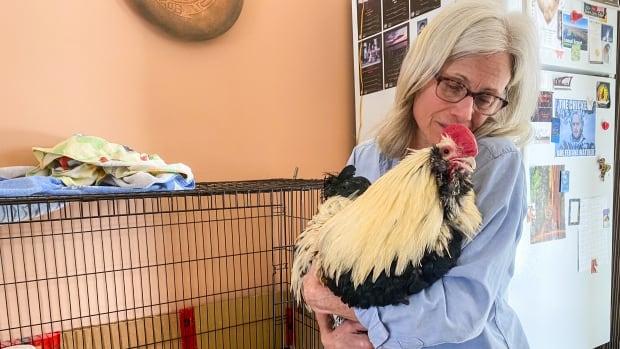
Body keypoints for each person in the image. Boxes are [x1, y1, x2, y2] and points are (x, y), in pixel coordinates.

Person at [301, 0, 540, 348]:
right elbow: (322, 270)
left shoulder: (495, 165)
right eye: (454, 85)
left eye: (486, 97)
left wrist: (343, 304)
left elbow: (457, 312)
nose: (465, 112)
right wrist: (329, 334)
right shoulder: (367, 158)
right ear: (418, 74)